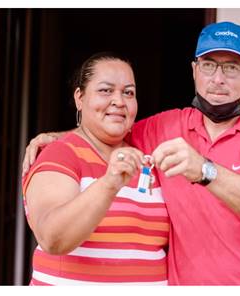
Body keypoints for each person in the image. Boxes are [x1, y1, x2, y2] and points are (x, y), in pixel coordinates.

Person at [23, 21, 240, 285]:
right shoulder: (165, 126)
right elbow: (111, 126)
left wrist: (205, 170)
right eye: (209, 65)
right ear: (194, 70)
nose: (218, 79)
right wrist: (59, 136)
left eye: (232, 68)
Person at [22, 52, 169, 285]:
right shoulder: (60, 154)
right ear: (80, 98)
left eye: (128, 92)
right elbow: (52, 238)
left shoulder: (146, 158)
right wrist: (108, 184)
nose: (119, 101)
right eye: (106, 90)